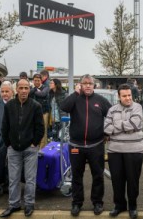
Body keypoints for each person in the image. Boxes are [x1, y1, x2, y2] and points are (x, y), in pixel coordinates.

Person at [60, 74, 111, 217]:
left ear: (94, 85)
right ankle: (77, 203)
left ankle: (97, 202)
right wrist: (75, 93)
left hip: (96, 145)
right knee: (77, 175)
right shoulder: (75, 99)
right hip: (76, 145)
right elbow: (63, 107)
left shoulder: (100, 101)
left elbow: (112, 115)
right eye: (85, 83)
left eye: (90, 83)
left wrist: (107, 132)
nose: (88, 85)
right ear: (80, 85)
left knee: (98, 175)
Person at [0, 79, 44, 218]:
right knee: (13, 179)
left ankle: (29, 204)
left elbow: (40, 127)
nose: (24, 90)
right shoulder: (9, 106)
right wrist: (8, 144)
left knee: (30, 179)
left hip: (30, 149)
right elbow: (5, 127)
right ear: (17, 89)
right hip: (13, 149)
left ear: (28, 89)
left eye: (26, 88)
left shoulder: (36, 106)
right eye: (21, 88)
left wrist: (35, 143)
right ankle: (14, 204)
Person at [104, 84, 143, 219]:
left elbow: (135, 124)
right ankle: (119, 205)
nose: (128, 98)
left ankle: (133, 206)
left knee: (133, 181)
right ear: (119, 96)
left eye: (129, 95)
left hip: (134, 150)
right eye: (124, 96)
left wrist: (116, 127)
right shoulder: (112, 110)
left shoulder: (137, 107)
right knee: (117, 181)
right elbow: (107, 129)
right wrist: (125, 126)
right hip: (115, 151)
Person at [0, 82, 14, 193]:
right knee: (0, 163)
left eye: (7, 91)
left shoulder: (17, 104)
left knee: (13, 164)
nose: (4, 94)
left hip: (14, 140)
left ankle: (9, 185)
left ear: (12, 92)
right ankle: (0, 184)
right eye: (2, 92)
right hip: (0, 139)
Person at [29, 73, 50, 149]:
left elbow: (42, 94)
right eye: (35, 80)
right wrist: (34, 89)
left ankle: (42, 150)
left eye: (38, 80)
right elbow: (27, 94)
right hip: (33, 113)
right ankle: (35, 147)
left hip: (43, 113)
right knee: (34, 130)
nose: (36, 82)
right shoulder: (32, 88)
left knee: (43, 131)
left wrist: (34, 90)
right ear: (33, 81)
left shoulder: (46, 87)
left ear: (41, 81)